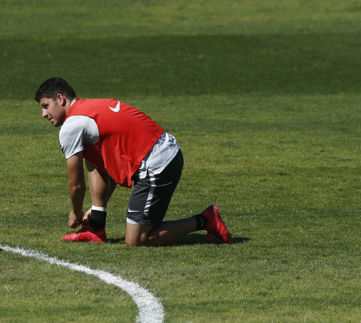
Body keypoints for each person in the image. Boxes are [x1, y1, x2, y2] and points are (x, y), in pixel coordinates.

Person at [34, 77, 232, 246]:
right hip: (163, 151)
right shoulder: (90, 108)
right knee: (91, 156)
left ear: (60, 99)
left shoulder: (71, 126)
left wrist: (76, 213)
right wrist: (96, 213)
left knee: (136, 240)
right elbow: (101, 166)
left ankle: (205, 220)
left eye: (45, 106)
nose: (43, 114)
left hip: (158, 164)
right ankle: (96, 228)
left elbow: (76, 184)